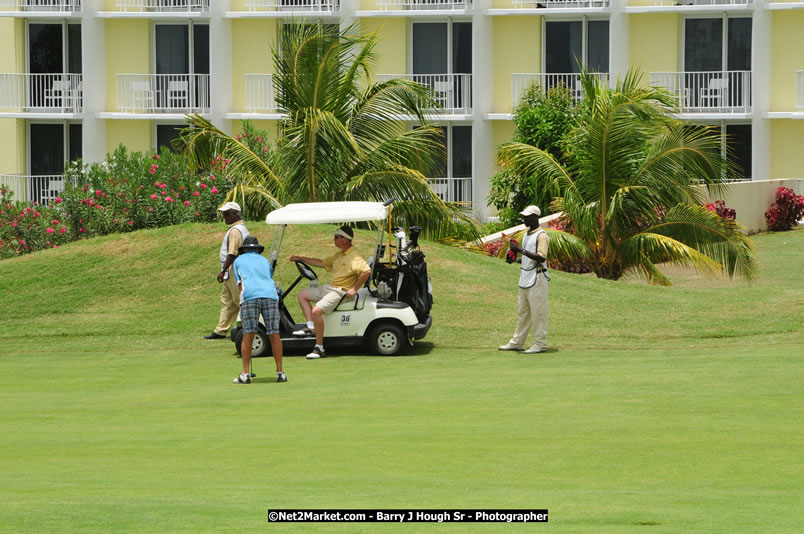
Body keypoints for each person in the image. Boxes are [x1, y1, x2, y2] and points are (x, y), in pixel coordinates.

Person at [288, 225, 371, 359]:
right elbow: (322, 263)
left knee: (316, 311)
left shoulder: (355, 257)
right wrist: (300, 258)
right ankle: (311, 327)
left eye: (336, 237)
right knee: (302, 295)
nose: (334, 240)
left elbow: (366, 271)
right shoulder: (340, 254)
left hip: (340, 292)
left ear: (345, 239)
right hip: (330, 287)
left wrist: (354, 289)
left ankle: (319, 347)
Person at [232, 236, 286, 384]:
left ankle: (245, 374)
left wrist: (242, 300)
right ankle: (280, 373)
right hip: (270, 295)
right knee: (274, 333)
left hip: (250, 297)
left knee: (248, 333)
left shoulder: (238, 261)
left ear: (244, 249)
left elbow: (240, 284)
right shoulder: (264, 261)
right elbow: (267, 278)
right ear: (257, 249)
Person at [499, 205, 550, 354]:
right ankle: (517, 342)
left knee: (538, 313)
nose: (524, 219)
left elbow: (541, 256)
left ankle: (540, 343)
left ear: (535, 217)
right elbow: (528, 259)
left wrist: (520, 250)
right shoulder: (527, 235)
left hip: (538, 278)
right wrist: (514, 259)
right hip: (525, 277)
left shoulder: (542, 235)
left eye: (527, 217)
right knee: (523, 313)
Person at [204, 202, 249, 340]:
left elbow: (232, 253)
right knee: (227, 301)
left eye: (226, 214)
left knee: (238, 300)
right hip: (232, 270)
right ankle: (220, 330)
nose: (224, 217)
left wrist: (223, 271)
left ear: (235, 214)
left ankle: (248, 327)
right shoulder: (237, 229)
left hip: (234, 269)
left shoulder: (235, 230)